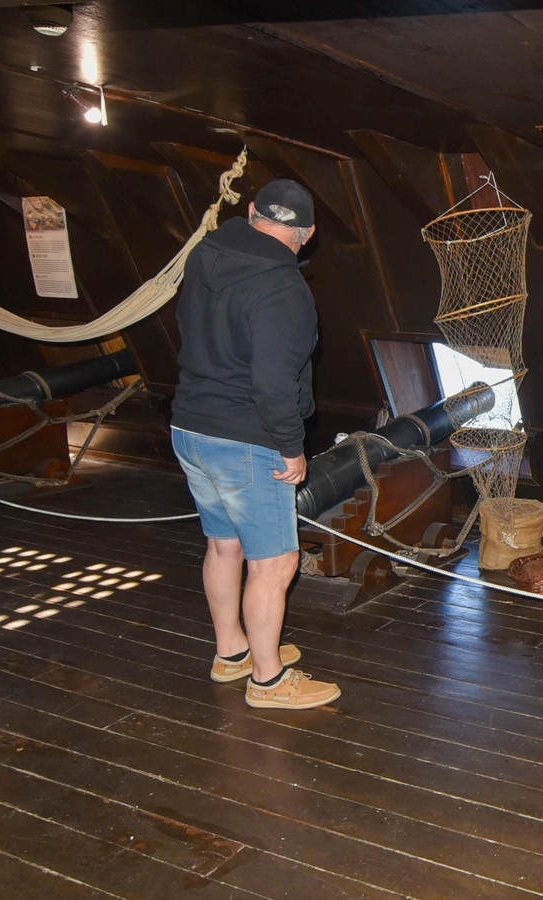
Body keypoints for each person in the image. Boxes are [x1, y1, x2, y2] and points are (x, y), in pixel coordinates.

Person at [170, 179, 341, 710]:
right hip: (246, 438)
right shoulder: (284, 289)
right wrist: (292, 448)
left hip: (189, 426)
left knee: (224, 546)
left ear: (250, 212)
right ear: (307, 234)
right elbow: (272, 382)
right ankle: (268, 681)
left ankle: (233, 653)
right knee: (275, 564)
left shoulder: (204, 254)